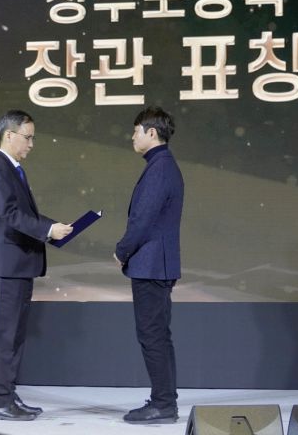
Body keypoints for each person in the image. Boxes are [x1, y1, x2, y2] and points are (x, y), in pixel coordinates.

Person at [0, 110, 73, 421]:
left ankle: (8, 395)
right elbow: (11, 215)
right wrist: (48, 229)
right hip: (7, 266)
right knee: (5, 336)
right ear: (9, 135)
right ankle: (0, 401)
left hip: (18, 266)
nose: (31, 144)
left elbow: (24, 215)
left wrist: (53, 227)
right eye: (28, 137)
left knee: (15, 335)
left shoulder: (12, 170)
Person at [114, 106, 184, 424]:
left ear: (151, 133)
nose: (132, 137)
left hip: (152, 266)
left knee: (152, 335)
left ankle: (163, 405)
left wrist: (122, 251)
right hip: (156, 265)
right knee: (157, 334)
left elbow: (142, 220)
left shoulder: (160, 168)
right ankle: (164, 401)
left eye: (136, 131)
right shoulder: (162, 165)